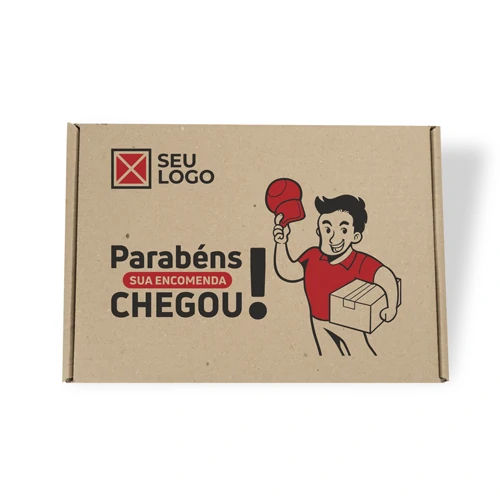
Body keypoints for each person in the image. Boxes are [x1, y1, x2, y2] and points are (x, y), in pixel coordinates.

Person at [273, 194, 398, 356]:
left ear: (355, 236)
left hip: (348, 323)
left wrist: (391, 307)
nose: (333, 237)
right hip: (318, 322)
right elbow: (288, 272)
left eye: (343, 230)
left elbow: (385, 276)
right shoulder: (312, 256)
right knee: (327, 358)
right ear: (318, 231)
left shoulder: (359, 261)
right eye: (327, 229)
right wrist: (281, 243)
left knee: (361, 355)